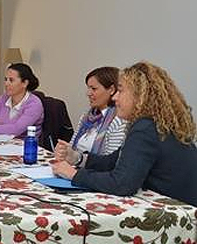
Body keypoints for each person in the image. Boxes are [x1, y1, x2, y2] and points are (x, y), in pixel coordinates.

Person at [52, 61, 197, 207]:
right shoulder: (156, 124)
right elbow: (113, 161)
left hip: (181, 214)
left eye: (120, 91)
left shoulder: (145, 127)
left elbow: (122, 184)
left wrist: (74, 175)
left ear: (140, 95)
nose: (114, 98)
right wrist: (77, 158)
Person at [70, 67, 126, 155]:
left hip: (93, 168)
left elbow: (110, 162)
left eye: (94, 89)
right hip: (75, 165)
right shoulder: (86, 117)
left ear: (111, 90)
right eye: (88, 88)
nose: (88, 93)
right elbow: (71, 147)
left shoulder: (118, 120)